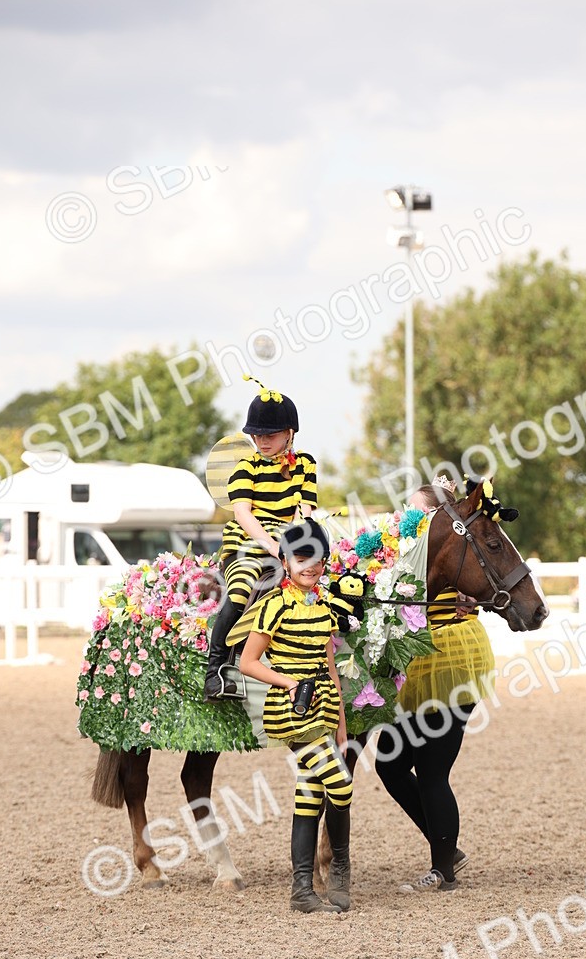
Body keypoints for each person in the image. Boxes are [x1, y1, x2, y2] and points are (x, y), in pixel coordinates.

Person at [374, 479, 495, 892]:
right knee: (389, 763)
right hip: (418, 662)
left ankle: (442, 867)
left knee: (431, 770)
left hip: (450, 657)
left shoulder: (452, 552)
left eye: (417, 514)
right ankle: (446, 847)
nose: (408, 521)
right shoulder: (412, 553)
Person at [238, 519, 352, 913]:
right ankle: (339, 867)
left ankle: (302, 889)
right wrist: (286, 681)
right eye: (301, 558)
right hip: (291, 710)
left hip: (322, 707)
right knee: (342, 786)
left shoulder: (324, 605)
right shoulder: (272, 606)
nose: (311, 566)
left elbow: (331, 667)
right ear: (285, 561)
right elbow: (248, 662)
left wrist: (341, 724)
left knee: (310, 794)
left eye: (317, 559)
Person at [204, 375, 317, 699]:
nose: (262, 441)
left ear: (289, 433)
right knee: (239, 594)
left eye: (270, 434)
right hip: (246, 545)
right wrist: (271, 546)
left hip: (288, 544)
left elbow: (304, 511)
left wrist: (299, 547)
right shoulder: (244, 468)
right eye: (257, 435)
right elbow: (243, 514)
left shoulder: (306, 465)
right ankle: (215, 673)